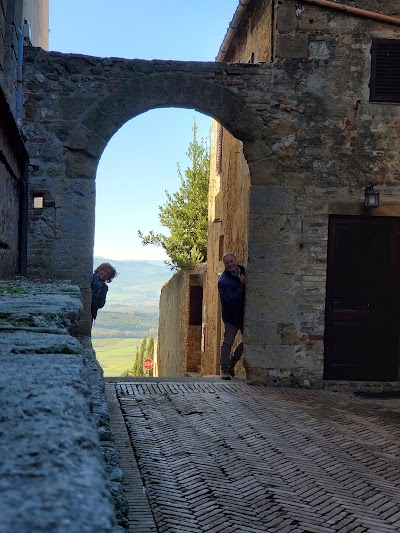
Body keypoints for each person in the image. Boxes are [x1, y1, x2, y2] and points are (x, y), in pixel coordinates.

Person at [218, 252, 246, 380]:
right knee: (227, 342)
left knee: (248, 340)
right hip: (231, 317)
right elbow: (232, 298)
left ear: (236, 260)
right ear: (224, 265)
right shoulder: (223, 281)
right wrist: (242, 284)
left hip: (244, 315)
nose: (230, 264)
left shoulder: (243, 270)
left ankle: (232, 361)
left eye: (231, 261)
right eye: (227, 263)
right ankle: (224, 369)